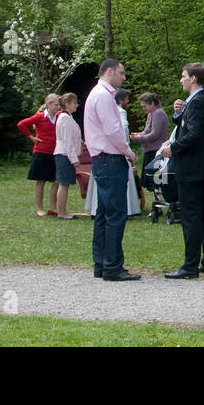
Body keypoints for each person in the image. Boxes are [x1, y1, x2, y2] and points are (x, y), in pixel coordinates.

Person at [84, 59, 139, 281]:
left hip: (101, 158)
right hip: (110, 157)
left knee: (104, 213)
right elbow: (113, 130)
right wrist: (128, 151)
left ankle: (102, 263)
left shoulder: (96, 94)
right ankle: (113, 266)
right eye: (121, 73)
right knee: (116, 213)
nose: (124, 77)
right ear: (110, 71)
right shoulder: (104, 96)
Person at [162, 62, 204, 278]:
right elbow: (193, 128)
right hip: (202, 166)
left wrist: (172, 148)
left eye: (184, 76)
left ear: (193, 78)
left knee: (191, 215)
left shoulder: (196, 103)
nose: (181, 79)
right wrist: (178, 115)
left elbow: (193, 135)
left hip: (192, 167)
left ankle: (190, 265)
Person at [17, 94, 60, 217]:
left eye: (58, 105)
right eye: (56, 104)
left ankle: (53, 207)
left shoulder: (60, 116)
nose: (58, 107)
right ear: (49, 104)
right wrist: (31, 137)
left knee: (56, 181)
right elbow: (21, 124)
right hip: (41, 152)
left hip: (56, 152)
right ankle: (40, 208)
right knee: (40, 181)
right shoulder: (40, 117)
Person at [52, 92, 83, 219]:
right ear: (67, 104)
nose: (77, 105)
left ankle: (62, 211)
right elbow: (67, 140)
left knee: (64, 183)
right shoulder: (64, 118)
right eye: (74, 103)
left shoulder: (67, 117)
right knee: (63, 183)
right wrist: (74, 159)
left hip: (65, 154)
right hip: (64, 154)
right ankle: (62, 213)